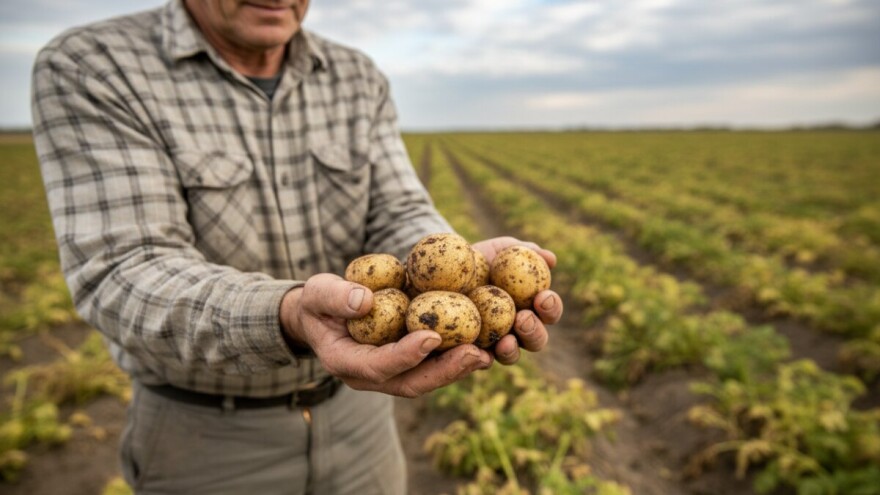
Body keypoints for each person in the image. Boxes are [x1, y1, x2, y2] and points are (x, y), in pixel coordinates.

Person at [31, 1, 563, 493]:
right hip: (205, 442)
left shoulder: (356, 76)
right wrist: (289, 313)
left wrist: (460, 269)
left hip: (362, 427)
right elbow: (126, 270)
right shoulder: (93, 66)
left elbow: (400, 212)